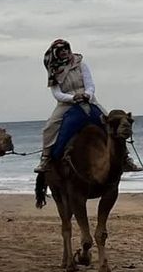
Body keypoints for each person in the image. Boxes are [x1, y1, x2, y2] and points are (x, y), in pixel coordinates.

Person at [36, 39, 102, 173]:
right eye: (61, 50)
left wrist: (87, 94)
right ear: (55, 53)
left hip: (87, 98)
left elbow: (90, 84)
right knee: (49, 127)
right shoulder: (53, 70)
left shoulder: (80, 64)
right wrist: (72, 98)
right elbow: (57, 93)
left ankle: (125, 157)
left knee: (109, 120)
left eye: (66, 48)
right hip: (66, 102)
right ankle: (46, 158)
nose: (64, 52)